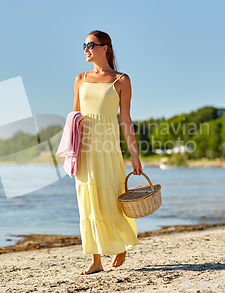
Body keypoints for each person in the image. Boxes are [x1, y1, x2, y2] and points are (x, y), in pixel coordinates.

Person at [72, 30, 143, 275]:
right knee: (87, 202)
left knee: (112, 198)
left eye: (90, 44)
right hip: (84, 149)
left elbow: (125, 120)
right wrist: (71, 150)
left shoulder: (121, 80)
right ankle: (95, 260)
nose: (86, 48)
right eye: (84, 45)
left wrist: (134, 155)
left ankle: (120, 244)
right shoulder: (80, 78)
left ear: (105, 47)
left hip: (108, 148)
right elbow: (74, 117)